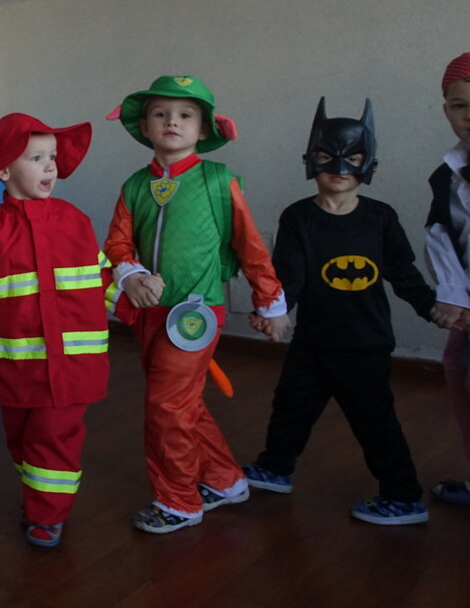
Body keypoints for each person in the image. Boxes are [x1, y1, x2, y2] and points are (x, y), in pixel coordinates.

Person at [242, 98, 445, 524]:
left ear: (368, 164)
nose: (339, 167)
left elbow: (403, 273)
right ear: (310, 160)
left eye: (352, 158)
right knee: (290, 407)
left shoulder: (380, 218)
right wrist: (273, 310)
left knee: (375, 421)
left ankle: (403, 497)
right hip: (312, 342)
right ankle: (275, 468)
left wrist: (432, 307)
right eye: (326, 156)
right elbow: (288, 276)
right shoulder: (299, 217)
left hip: (364, 344)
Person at [104, 74, 290, 534]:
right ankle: (225, 480)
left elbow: (250, 245)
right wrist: (131, 275)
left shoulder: (218, 181)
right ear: (144, 125)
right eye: (161, 113)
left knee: (166, 406)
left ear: (204, 129)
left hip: (197, 313)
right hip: (149, 313)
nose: (173, 122)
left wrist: (270, 301)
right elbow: (117, 245)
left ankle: (179, 500)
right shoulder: (134, 186)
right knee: (181, 401)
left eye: (185, 115)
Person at [0, 113, 110, 548]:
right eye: (36, 158)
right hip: (20, 366)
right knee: (22, 440)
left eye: (53, 157)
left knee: (53, 438)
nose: (50, 166)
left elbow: (102, 276)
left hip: (73, 365)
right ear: (4, 170)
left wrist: (137, 302)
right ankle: (39, 493)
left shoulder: (76, 221)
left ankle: (47, 514)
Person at [425, 52, 470, 506]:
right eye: (460, 106)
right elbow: (441, 235)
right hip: (468, 304)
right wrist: (454, 294)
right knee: (458, 370)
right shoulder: (448, 174)